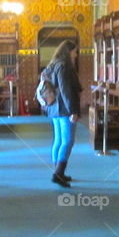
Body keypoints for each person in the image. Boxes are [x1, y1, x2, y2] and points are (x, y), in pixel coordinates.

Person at [43, 39, 82, 188]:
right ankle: (58, 174)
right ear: (68, 51)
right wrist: (73, 110)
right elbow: (66, 90)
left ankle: (58, 171)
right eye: (74, 51)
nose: (76, 54)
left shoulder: (53, 65)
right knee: (67, 141)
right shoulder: (64, 66)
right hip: (64, 108)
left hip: (54, 107)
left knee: (59, 140)